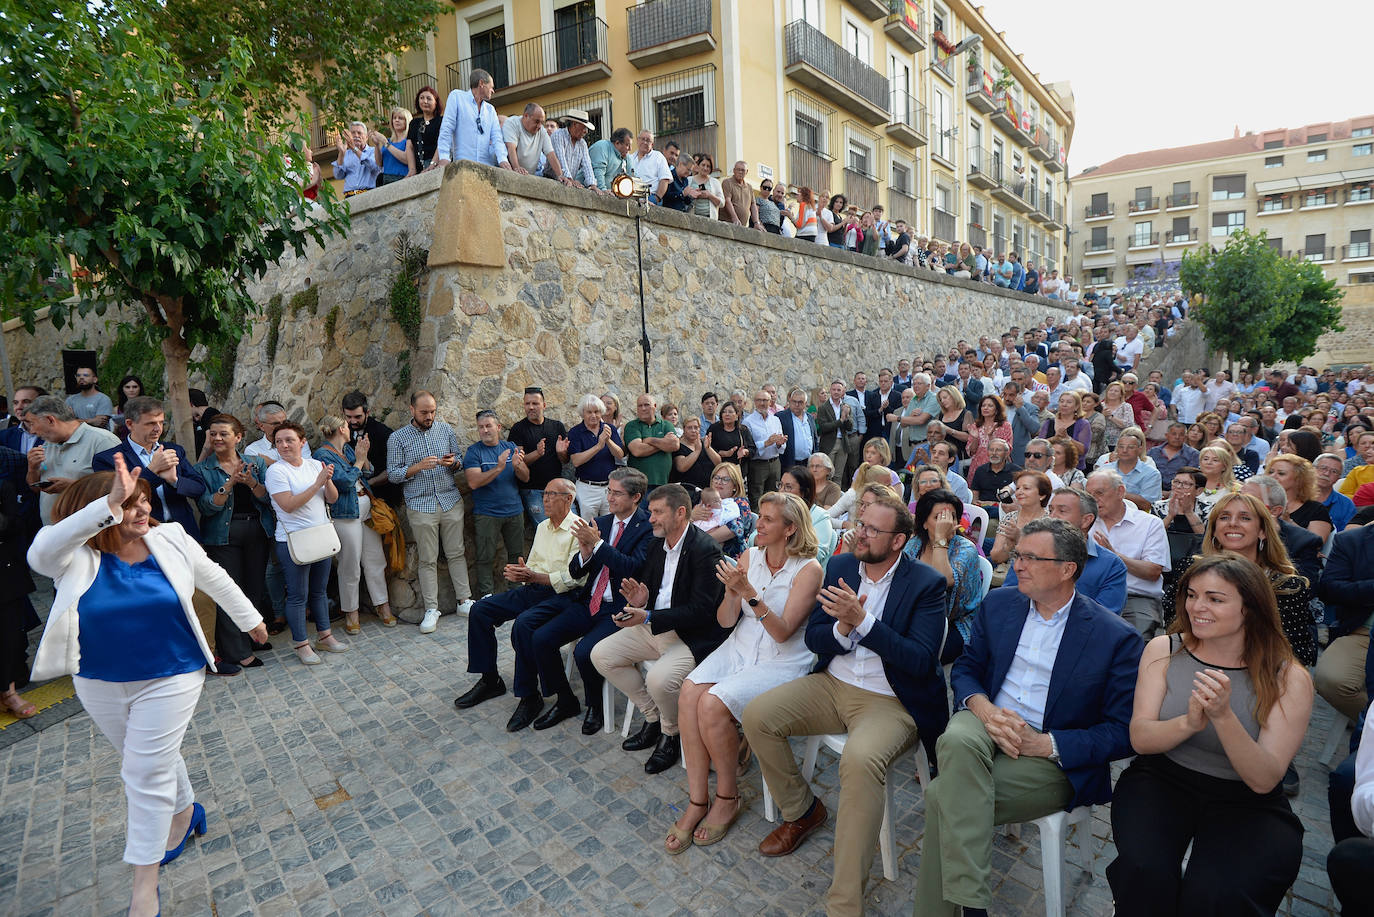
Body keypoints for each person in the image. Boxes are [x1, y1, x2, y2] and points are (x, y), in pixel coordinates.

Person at [27, 456, 267, 917]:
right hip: (98, 681)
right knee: (148, 755)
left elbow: (212, 575)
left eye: (142, 501)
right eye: (129, 505)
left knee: (142, 771)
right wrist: (107, 506)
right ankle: (186, 811)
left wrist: (250, 619)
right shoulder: (74, 557)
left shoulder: (169, 537)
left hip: (173, 672)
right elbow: (40, 552)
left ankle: (143, 888)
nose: (142, 511)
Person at [913, 518, 1143, 917]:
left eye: (1030, 558)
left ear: (1068, 569)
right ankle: (972, 907)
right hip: (987, 716)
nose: (1017, 564)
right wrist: (983, 709)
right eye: (1018, 555)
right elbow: (967, 668)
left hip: (1048, 751)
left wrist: (1047, 744)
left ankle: (960, 908)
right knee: (954, 739)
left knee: (940, 796)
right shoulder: (1001, 602)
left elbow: (1123, 732)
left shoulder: (1114, 637)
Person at [743, 490, 948, 917]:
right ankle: (803, 811)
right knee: (758, 715)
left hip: (890, 700)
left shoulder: (926, 584)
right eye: (861, 522)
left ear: (898, 541)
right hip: (832, 685)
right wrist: (839, 629)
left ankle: (844, 905)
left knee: (858, 762)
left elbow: (921, 660)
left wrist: (863, 622)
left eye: (872, 529)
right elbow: (816, 637)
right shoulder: (839, 566)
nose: (860, 532)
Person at [1107, 554, 1312, 916]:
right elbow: (1140, 738)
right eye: (1191, 594)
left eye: (1215, 599)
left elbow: (1264, 780)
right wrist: (1188, 723)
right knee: (1144, 872)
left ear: (1250, 607)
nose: (1197, 607)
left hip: (1246, 800)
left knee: (1218, 895)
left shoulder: (1288, 677)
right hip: (1163, 779)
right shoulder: (1164, 649)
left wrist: (1223, 716)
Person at [666, 492, 822, 853]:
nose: (759, 524)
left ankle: (727, 795)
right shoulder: (750, 555)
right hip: (740, 645)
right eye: (761, 517)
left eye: (768, 519)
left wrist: (749, 593)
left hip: (781, 659)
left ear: (790, 529)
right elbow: (725, 622)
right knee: (690, 689)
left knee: (712, 703)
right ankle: (697, 800)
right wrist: (732, 594)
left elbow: (783, 633)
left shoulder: (809, 569)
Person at [591, 484, 727, 774]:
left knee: (659, 680)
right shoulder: (656, 544)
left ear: (680, 512)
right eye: (650, 512)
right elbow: (650, 590)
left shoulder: (705, 550)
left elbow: (702, 610)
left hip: (690, 636)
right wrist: (639, 601)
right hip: (654, 626)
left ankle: (672, 733)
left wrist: (650, 613)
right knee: (601, 655)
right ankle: (653, 717)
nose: (649, 518)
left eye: (656, 512)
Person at [453, 477, 589, 730]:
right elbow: (534, 564)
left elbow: (574, 579)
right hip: (534, 588)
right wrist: (521, 571)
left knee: (524, 625)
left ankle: (529, 696)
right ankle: (491, 680)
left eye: (552, 494)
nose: (545, 499)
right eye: (544, 493)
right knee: (481, 610)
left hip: (562, 596)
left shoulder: (578, 529)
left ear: (568, 499)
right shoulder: (543, 527)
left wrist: (534, 576)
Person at [555, 468, 656, 733]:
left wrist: (598, 546)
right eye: (608, 491)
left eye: (616, 493)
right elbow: (576, 571)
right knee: (541, 635)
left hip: (619, 606)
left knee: (583, 651)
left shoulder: (648, 527)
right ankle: (561, 699)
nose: (609, 498)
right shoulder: (604, 522)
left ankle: (595, 707)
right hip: (589, 599)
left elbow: (632, 567)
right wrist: (586, 552)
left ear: (636, 497)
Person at [1164, 491, 1316, 667]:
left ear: (1262, 531)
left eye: (1245, 518)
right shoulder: (1190, 570)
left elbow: (1297, 651)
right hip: (1194, 661)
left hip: (1261, 670)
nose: (1233, 523)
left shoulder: (1286, 585)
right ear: (1213, 529)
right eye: (1224, 517)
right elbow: (1174, 624)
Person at [194, 414, 275, 673]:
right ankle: (238, 652)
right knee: (229, 591)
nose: (217, 438)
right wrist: (229, 484)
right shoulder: (203, 469)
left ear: (238, 437)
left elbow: (266, 500)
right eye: (213, 434)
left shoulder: (254, 463)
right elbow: (207, 507)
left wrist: (251, 482)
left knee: (253, 589)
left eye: (223, 434)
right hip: (221, 536)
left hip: (256, 530)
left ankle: (252, 637)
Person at [266, 421, 346, 665]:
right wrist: (316, 483)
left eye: (289, 440)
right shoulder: (276, 471)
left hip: (319, 535)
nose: (284, 445)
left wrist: (326, 480)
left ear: (302, 442)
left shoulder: (313, 465)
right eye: (279, 441)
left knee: (319, 590)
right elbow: (288, 505)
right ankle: (301, 644)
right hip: (293, 541)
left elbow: (331, 498)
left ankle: (325, 636)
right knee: (298, 595)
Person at [315, 415, 392, 634]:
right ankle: (351, 612)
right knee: (350, 565)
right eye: (347, 426)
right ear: (341, 429)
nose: (349, 429)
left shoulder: (347, 449)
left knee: (376, 560)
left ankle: (382, 604)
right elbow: (346, 482)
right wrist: (358, 461)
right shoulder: (322, 454)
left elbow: (367, 473)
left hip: (365, 510)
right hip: (345, 513)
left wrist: (363, 457)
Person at [92, 396, 207, 538]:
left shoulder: (174, 450)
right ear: (129, 424)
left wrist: (174, 481)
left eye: (161, 422)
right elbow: (117, 499)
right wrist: (152, 471)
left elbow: (199, 487)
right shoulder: (107, 459)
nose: (158, 429)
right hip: (141, 536)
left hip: (184, 532)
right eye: (150, 423)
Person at [1086, 470, 1170, 638]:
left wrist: (1113, 555)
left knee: (1135, 641)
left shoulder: (1149, 523)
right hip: (1090, 595)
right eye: (1089, 494)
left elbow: (1153, 572)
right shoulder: (1085, 522)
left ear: (1120, 492)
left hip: (1135, 597)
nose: (1094, 499)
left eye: (1100, 493)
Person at [23, 394, 121, 524]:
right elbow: (35, 489)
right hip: (53, 531)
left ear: (50, 420)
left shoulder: (102, 441)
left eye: (32, 423)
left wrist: (73, 487)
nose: (32, 431)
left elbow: (119, 489)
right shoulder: (47, 444)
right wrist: (32, 469)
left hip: (91, 533)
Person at [464, 410, 530, 601]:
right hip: (487, 513)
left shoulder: (510, 447)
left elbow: (525, 477)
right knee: (485, 557)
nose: (484, 430)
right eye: (481, 427)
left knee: (517, 555)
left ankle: (516, 593)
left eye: (488, 426)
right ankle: (486, 596)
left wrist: (518, 465)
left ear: (498, 427)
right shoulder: (474, 451)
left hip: (514, 510)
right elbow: (473, 482)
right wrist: (499, 467)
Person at [907, 489, 982, 653]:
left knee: (914, 651)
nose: (946, 523)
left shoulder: (965, 548)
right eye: (939, 518)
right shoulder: (915, 544)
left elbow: (942, 580)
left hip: (955, 623)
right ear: (924, 523)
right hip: (915, 614)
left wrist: (940, 539)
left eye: (951, 517)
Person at [432, 69, 510, 170]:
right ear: (481, 83)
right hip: (463, 167)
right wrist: (444, 157)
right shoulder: (457, 97)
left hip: (487, 168)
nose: (493, 91)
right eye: (491, 87)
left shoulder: (490, 110)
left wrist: (503, 160)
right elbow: (447, 128)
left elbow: (497, 137)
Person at [567, 394, 626, 519]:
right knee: (588, 525)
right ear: (583, 413)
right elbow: (576, 461)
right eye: (589, 412)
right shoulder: (575, 432)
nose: (593, 416)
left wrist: (608, 440)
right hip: (587, 488)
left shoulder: (609, 429)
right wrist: (598, 446)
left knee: (611, 524)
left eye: (597, 412)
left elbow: (620, 454)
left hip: (609, 487)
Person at [341, 390, 398, 506]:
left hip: (383, 498)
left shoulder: (384, 433)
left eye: (358, 417)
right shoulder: (342, 432)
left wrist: (368, 483)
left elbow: (394, 469)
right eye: (349, 417)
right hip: (353, 500)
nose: (353, 421)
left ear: (367, 413)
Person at [988, 470, 1052, 565]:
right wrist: (1009, 546)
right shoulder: (1010, 518)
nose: (1019, 492)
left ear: (1042, 495)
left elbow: (1047, 559)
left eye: (1026, 488)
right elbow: (996, 558)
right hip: (1010, 572)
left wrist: (1020, 538)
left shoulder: (1050, 522)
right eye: (1017, 488)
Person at [1266, 453, 1333, 542]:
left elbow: (1316, 543)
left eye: (1281, 473)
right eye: (1270, 472)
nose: (1273, 476)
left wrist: (1288, 522)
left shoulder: (1316, 510)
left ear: (1299, 480)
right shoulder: (1257, 501)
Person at [779, 465, 834, 563]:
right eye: (780, 485)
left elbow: (818, 554)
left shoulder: (820, 516)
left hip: (804, 570)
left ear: (804, 492)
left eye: (788, 487)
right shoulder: (776, 511)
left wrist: (780, 547)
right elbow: (754, 539)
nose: (781, 491)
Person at [624, 393, 680, 487]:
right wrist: (663, 443)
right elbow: (637, 450)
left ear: (654, 406)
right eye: (640, 406)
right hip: (638, 485)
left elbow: (674, 445)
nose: (643, 408)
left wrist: (649, 440)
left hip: (663, 483)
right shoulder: (632, 426)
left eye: (646, 405)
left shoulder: (666, 425)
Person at [502, 103, 563, 178]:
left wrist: (560, 176)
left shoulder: (542, 131)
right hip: (508, 173)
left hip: (528, 175)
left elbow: (551, 154)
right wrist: (516, 167)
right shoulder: (512, 123)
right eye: (537, 121)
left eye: (542, 122)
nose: (539, 126)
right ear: (526, 116)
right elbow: (511, 148)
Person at [1038, 391, 1091, 469]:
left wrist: (1067, 438)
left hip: (1072, 468)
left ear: (1076, 406)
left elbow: (1083, 451)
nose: (1064, 404)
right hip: (1047, 466)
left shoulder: (1083, 424)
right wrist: (1055, 438)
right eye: (1061, 401)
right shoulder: (1049, 422)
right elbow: (1039, 445)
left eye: (1069, 402)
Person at [966, 394, 1013, 481]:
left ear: (997, 409)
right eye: (983, 405)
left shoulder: (1005, 426)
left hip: (998, 466)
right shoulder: (975, 426)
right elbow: (972, 451)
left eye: (990, 405)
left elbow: (1007, 450)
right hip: (977, 466)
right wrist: (975, 438)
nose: (985, 408)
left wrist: (991, 436)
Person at [1148, 422, 1200, 493]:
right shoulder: (1153, 451)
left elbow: (1191, 478)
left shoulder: (1193, 454)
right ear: (1167, 435)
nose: (1177, 437)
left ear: (1185, 437)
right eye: (1174, 434)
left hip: (1181, 491)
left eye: (1181, 435)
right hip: (1152, 490)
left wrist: (1172, 493)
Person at [333, 121, 380, 195]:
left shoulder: (374, 151)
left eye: (359, 133)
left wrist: (355, 149)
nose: (356, 135)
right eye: (353, 133)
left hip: (368, 194)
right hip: (349, 196)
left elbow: (374, 167)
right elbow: (338, 176)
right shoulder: (346, 153)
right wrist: (341, 153)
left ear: (366, 137)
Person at [778, 388, 819, 471]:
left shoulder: (810, 418)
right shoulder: (781, 417)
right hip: (790, 463)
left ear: (805, 404)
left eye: (800, 402)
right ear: (789, 401)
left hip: (808, 463)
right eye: (794, 401)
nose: (796, 405)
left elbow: (814, 439)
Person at [627, 129, 671, 203]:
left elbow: (664, 179)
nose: (644, 142)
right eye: (642, 139)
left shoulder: (658, 157)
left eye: (648, 140)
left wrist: (656, 198)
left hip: (650, 198)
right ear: (637, 140)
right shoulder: (630, 158)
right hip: (631, 198)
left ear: (652, 144)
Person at [373, 108, 415, 185]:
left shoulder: (409, 140)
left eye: (400, 118)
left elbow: (407, 159)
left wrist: (386, 144)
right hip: (386, 180)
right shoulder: (388, 141)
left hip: (403, 178)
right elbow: (379, 163)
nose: (396, 120)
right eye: (394, 118)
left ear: (407, 121)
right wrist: (377, 144)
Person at [406, 85, 443, 172]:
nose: (425, 101)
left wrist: (433, 164)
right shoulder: (414, 123)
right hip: (420, 169)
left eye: (429, 99)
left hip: (438, 167)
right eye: (422, 98)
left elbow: (443, 143)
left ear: (436, 102)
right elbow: (409, 147)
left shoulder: (442, 121)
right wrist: (412, 170)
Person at [65, 364, 114, 429]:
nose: (81, 377)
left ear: (95, 379)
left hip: (98, 438)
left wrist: (75, 421)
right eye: (78, 375)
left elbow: (100, 423)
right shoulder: (70, 400)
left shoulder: (103, 399)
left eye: (86, 375)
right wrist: (91, 421)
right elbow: (66, 422)